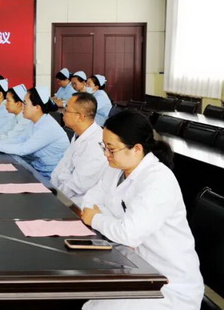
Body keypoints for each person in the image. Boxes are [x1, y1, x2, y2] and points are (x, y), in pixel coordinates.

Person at [81, 110, 204, 309]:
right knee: (89, 302)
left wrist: (97, 219)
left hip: (168, 284)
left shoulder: (158, 180)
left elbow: (128, 234)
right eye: (104, 147)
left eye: (111, 149)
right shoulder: (116, 169)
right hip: (136, 268)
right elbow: (90, 200)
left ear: (137, 149)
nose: (106, 154)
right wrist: (113, 223)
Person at [0, 87, 69, 180]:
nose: (22, 107)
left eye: (25, 104)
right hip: (36, 169)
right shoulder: (34, 122)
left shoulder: (47, 127)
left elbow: (23, 149)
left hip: (48, 177)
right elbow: (19, 139)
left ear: (37, 107)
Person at [50, 92, 108, 207]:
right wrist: (51, 189)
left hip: (79, 204)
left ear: (80, 116)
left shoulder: (98, 143)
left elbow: (79, 184)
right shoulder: (78, 135)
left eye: (67, 110)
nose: (63, 113)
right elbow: (61, 167)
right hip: (62, 195)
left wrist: (55, 196)